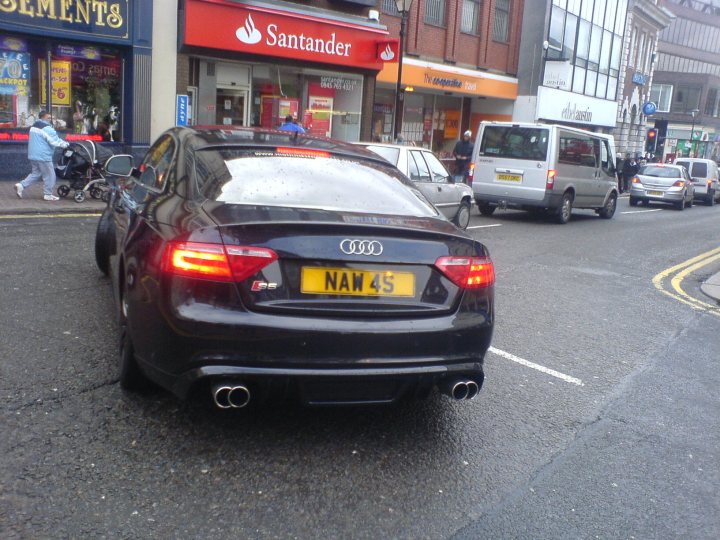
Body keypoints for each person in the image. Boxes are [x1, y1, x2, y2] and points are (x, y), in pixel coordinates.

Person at [15, 110, 69, 201]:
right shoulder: (46, 128)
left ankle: (21, 185)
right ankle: (48, 194)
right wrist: (66, 144)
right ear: (43, 117)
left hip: (33, 154)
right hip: (43, 156)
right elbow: (55, 141)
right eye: (48, 117)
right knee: (50, 175)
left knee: (36, 173)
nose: (50, 119)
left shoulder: (34, 126)